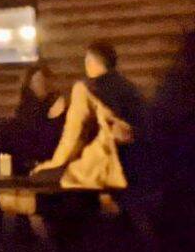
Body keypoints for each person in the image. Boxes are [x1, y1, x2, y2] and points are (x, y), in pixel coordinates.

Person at [32, 42, 147, 189]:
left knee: (44, 180)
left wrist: (53, 165)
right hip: (138, 166)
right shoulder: (129, 88)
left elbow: (73, 135)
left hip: (107, 169)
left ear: (90, 62)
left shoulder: (85, 89)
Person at [12, 61, 67, 170]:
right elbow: (37, 138)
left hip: (53, 160)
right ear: (30, 84)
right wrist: (54, 118)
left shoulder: (53, 103)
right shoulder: (27, 108)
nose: (42, 85)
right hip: (33, 163)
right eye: (38, 81)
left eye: (44, 81)